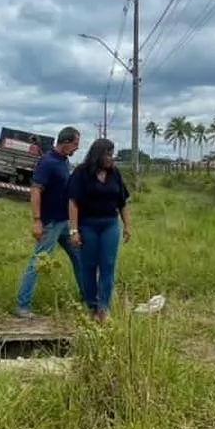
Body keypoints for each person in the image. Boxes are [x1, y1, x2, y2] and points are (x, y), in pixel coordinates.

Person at [13, 126, 84, 318]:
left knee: (80, 257)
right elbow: (36, 190)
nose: (77, 148)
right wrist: (37, 220)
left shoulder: (64, 161)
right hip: (50, 223)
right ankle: (22, 305)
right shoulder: (48, 162)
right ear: (66, 142)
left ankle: (88, 297)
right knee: (38, 262)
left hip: (65, 222)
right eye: (76, 144)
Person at [67, 138, 134, 322]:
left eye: (112, 154)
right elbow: (73, 202)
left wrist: (127, 225)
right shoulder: (81, 173)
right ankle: (92, 305)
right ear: (98, 154)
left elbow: (122, 202)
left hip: (110, 224)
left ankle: (103, 308)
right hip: (88, 224)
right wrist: (74, 230)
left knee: (108, 265)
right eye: (107, 154)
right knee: (88, 266)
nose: (110, 158)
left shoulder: (115, 174)